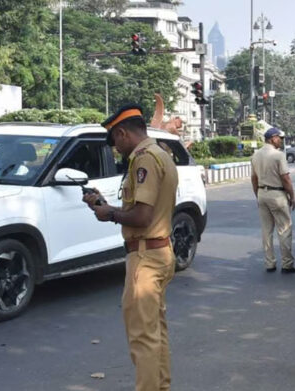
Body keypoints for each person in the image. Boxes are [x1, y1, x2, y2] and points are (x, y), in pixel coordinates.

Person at [82, 104, 178, 391]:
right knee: (155, 334)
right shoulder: (161, 153)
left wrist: (109, 214)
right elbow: (142, 209)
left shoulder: (144, 159)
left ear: (123, 133)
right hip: (160, 251)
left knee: (143, 339)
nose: (115, 148)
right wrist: (106, 206)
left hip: (145, 257)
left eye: (115, 142)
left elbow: (142, 216)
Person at [251, 128, 295, 273]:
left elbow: (254, 178)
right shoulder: (278, 155)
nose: (281, 141)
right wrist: (292, 196)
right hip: (277, 195)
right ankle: (287, 263)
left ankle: (269, 263)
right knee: (284, 229)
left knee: (266, 231)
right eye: (279, 138)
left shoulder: (256, 155)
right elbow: (285, 178)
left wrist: (258, 194)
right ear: (272, 138)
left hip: (262, 193)